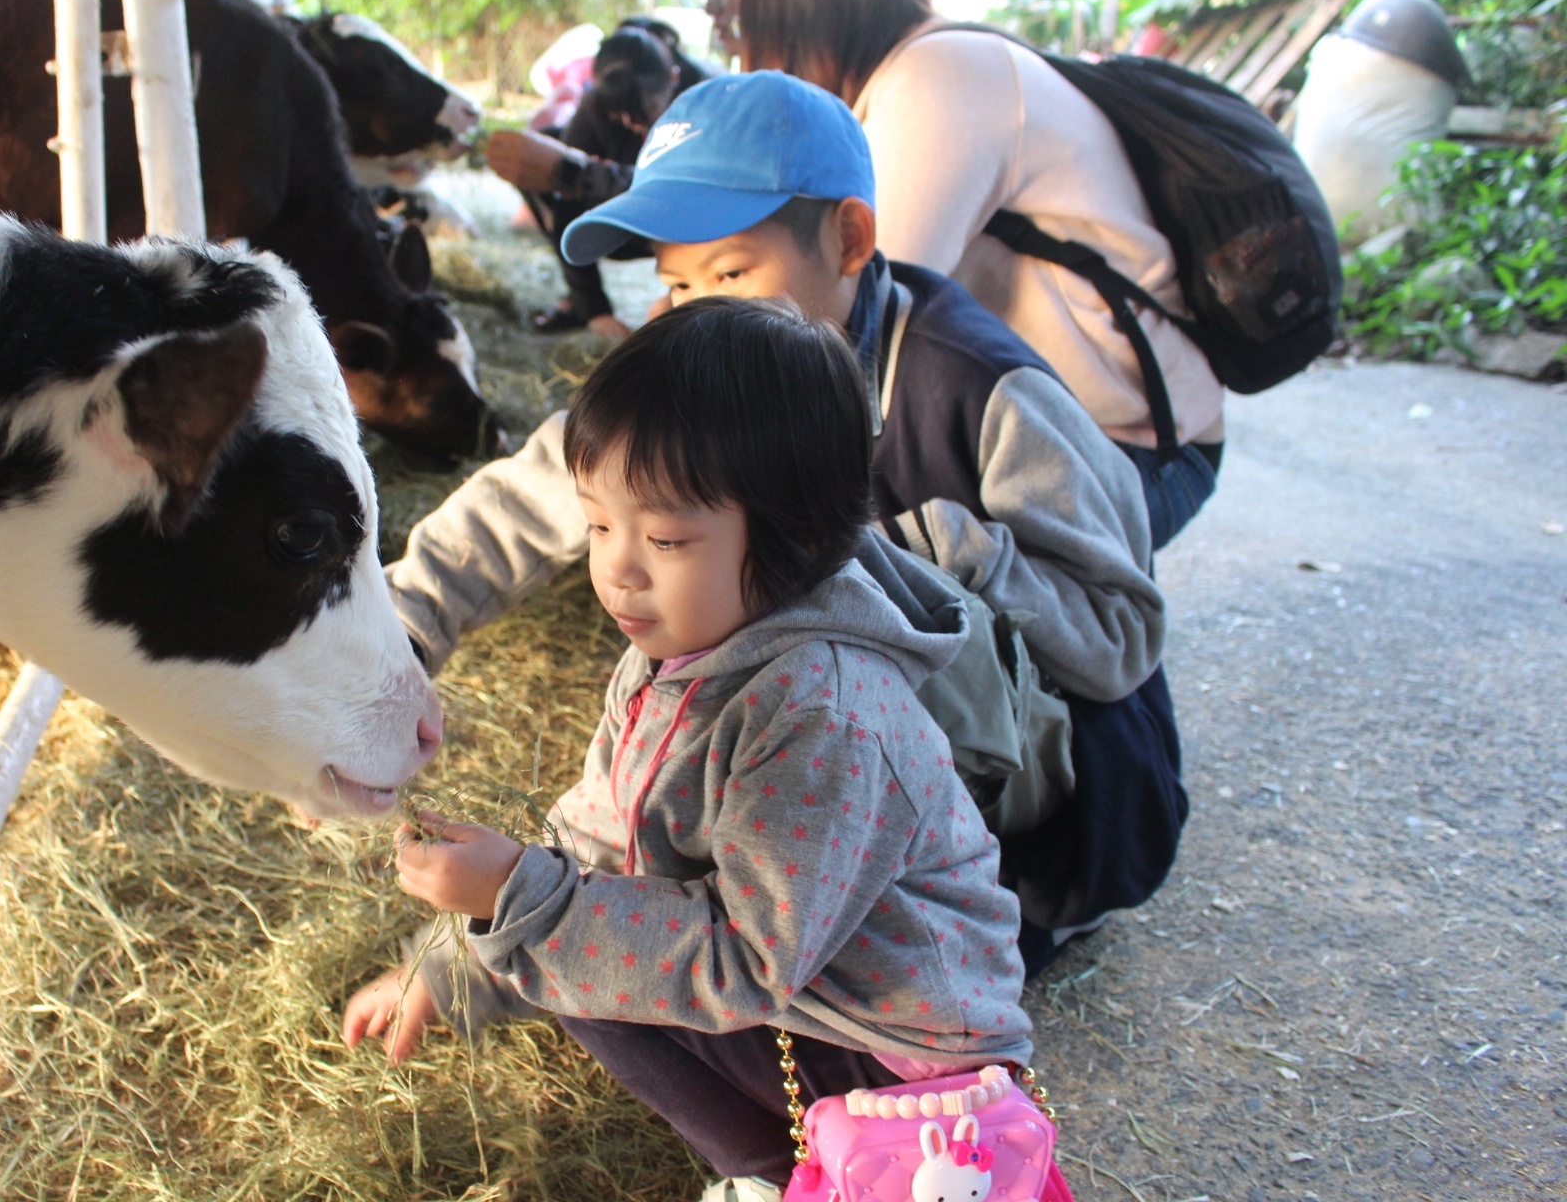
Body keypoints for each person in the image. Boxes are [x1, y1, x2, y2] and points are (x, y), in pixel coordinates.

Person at [386, 73, 1184, 982]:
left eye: (730, 271)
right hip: (822, 799)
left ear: (848, 239)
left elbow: (1122, 636)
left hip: (1036, 815)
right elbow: (534, 492)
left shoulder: (982, 391)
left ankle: (848, 939)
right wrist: (400, 634)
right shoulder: (708, 362)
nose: (702, 308)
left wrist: (947, 554)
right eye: (676, 282)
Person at [347, 296, 1033, 1202]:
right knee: (561, 946)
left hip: (908, 1063)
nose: (617, 567)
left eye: (665, 537)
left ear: (792, 538)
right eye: (598, 525)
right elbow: (600, 845)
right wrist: (456, 957)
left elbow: (747, 961)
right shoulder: (681, 648)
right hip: (804, 999)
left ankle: (802, 1173)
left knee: (564, 937)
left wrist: (520, 896)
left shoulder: (825, 712)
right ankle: (775, 1172)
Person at [740, 0, 1226, 549]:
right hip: (1047, 431)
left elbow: (857, 316)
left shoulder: (937, 80)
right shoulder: (914, 75)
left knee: (863, 554)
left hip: (1130, 452)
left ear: (789, 14)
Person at [485, 22, 715, 338]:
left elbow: (690, 193)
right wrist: (595, 309)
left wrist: (578, 173)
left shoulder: (706, 98)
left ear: (674, 78)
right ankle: (578, 300)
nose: (635, 124)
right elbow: (565, 199)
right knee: (541, 155)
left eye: (647, 110)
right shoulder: (594, 107)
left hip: (690, 222)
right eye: (620, 115)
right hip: (622, 222)